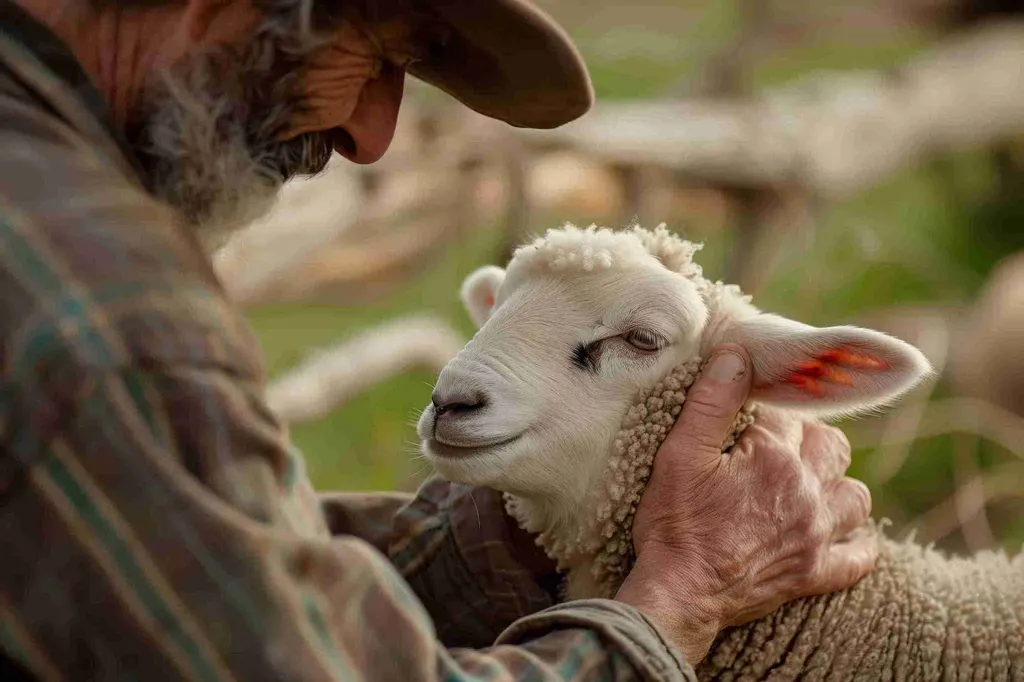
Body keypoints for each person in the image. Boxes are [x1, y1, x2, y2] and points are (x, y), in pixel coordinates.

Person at [0, 0, 878, 679]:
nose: (373, 137)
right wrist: (674, 604)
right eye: (377, 55)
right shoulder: (110, 314)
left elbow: (182, 572)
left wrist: (538, 534)